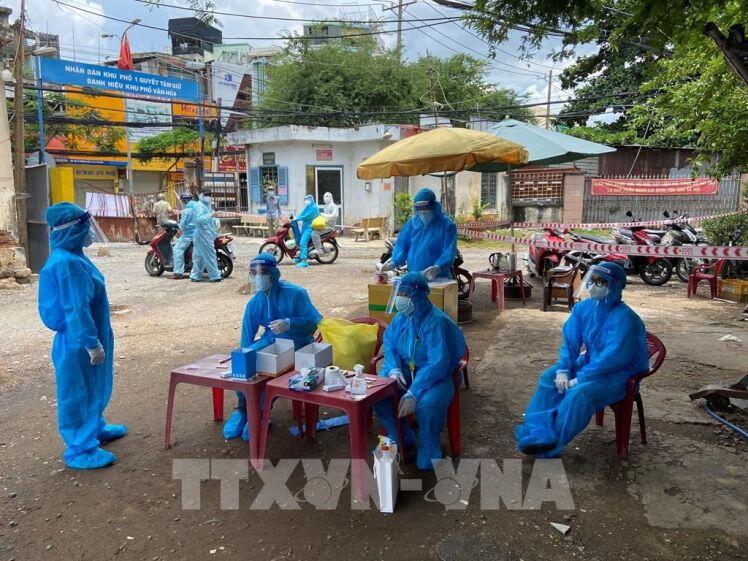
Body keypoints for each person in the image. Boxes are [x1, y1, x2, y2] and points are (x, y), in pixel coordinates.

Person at [515, 262, 649, 458]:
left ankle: (552, 441)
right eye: (591, 280)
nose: (593, 286)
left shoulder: (625, 318)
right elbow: (570, 341)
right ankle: (538, 430)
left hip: (619, 374)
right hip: (592, 363)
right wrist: (563, 369)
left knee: (579, 393)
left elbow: (615, 357)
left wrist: (580, 378)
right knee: (548, 377)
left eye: (600, 283)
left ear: (614, 286)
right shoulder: (583, 309)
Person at [37, 203, 128, 470]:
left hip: (88, 336)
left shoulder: (74, 256)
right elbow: (75, 308)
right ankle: (80, 449)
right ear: (72, 230)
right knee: (78, 391)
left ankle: (93, 428)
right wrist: (91, 343)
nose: (89, 231)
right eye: (85, 226)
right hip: (79, 341)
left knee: (94, 385)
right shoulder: (67, 264)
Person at [223, 253, 322, 440]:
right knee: (244, 363)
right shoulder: (255, 302)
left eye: (263, 272)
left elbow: (315, 322)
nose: (258, 277)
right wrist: (245, 357)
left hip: (299, 344)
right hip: (271, 342)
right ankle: (242, 409)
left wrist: (290, 323)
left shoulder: (296, 293)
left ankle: (260, 413)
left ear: (275, 273)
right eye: (254, 273)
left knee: (270, 374)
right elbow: (246, 337)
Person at [373, 272, 465, 470]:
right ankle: (401, 435)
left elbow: (439, 364)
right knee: (378, 394)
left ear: (418, 296)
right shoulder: (401, 318)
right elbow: (389, 343)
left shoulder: (436, 323)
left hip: (437, 378)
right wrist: (393, 368)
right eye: (400, 293)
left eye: (406, 295)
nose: (401, 299)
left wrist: (414, 392)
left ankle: (429, 446)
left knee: (428, 405)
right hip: (406, 371)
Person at [382, 188, 457, 281]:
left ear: (434, 207)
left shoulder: (447, 225)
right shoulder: (413, 223)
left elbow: (449, 252)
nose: (423, 215)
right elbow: (403, 245)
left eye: (426, 211)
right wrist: (394, 261)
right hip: (414, 276)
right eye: (420, 211)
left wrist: (438, 267)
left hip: (438, 278)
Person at [190, 188, 221, 283]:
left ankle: (195, 275)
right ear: (201, 195)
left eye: (210, 195)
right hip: (202, 233)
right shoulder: (199, 206)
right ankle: (215, 276)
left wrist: (215, 220)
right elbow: (199, 219)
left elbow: (208, 219)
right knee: (210, 254)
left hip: (205, 233)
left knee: (198, 256)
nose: (209, 197)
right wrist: (211, 215)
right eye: (206, 195)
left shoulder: (207, 205)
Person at [172, 191, 197, 280]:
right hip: (199, 235)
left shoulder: (186, 211)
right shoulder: (198, 207)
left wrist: (178, 228)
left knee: (177, 250)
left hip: (188, 235)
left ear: (184, 201)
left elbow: (182, 225)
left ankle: (178, 272)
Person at [294, 194, 320, 269]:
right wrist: (296, 217)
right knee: (299, 242)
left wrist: (298, 218)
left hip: (309, 228)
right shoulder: (307, 207)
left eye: (307, 200)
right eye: (305, 200)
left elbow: (307, 216)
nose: (306, 201)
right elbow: (302, 214)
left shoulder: (314, 208)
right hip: (305, 227)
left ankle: (304, 261)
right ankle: (300, 257)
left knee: (303, 242)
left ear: (311, 200)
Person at [310, 192, 339, 256]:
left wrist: (325, 216)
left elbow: (335, 215)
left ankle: (319, 249)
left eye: (327, 197)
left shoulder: (334, 206)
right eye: (325, 197)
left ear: (331, 197)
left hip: (329, 227)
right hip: (325, 225)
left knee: (314, 233)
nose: (326, 198)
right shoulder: (326, 206)